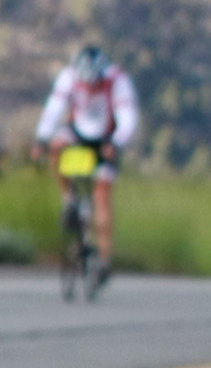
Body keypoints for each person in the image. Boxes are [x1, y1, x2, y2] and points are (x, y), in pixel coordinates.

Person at [36, 40, 141, 276]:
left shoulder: (118, 80)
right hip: (79, 132)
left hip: (105, 139)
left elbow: (128, 117)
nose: (90, 86)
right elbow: (54, 108)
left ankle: (104, 258)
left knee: (102, 196)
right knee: (56, 147)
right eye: (85, 82)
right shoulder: (68, 77)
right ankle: (69, 198)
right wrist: (41, 138)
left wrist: (116, 143)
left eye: (94, 82)